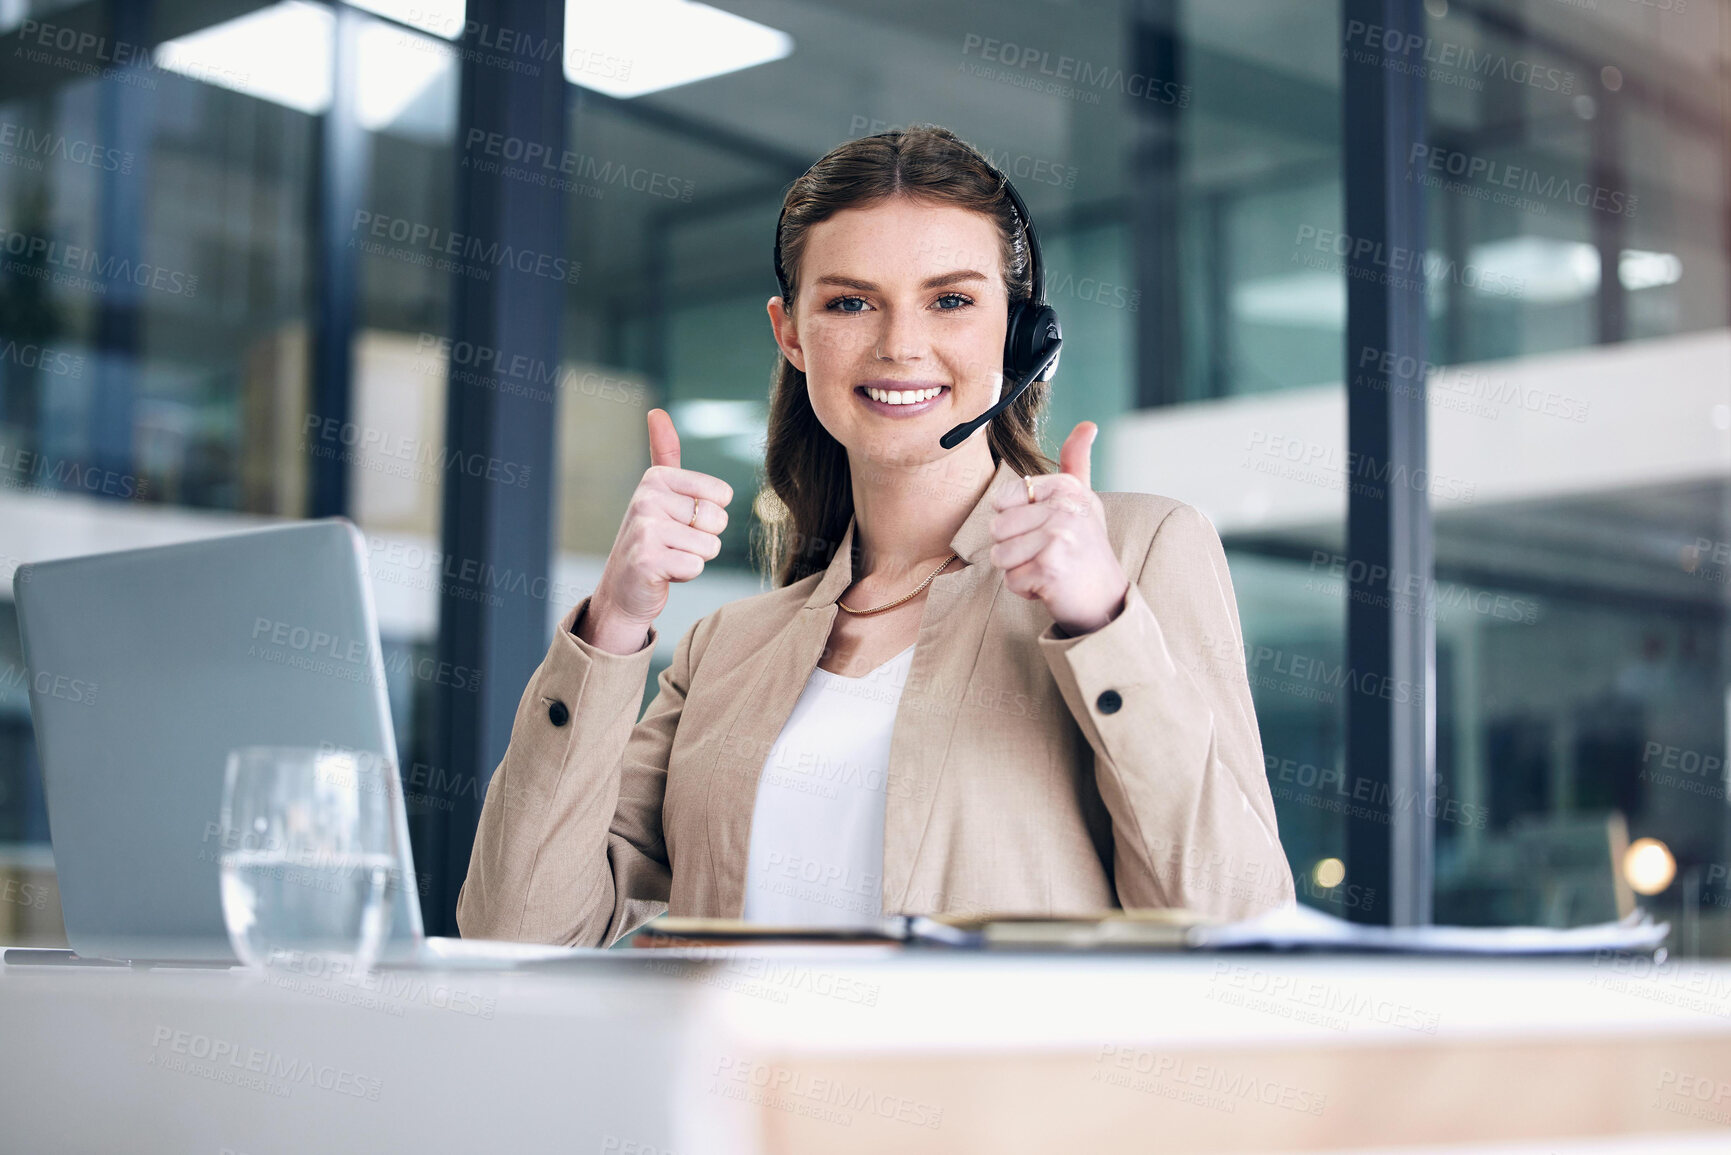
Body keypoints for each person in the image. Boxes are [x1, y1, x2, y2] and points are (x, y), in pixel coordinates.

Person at [456, 124, 1294, 948]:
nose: (900, 344)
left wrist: (1100, 624)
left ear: (1018, 333)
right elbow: (516, 931)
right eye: (851, 303)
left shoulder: (1141, 553)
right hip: (741, 1088)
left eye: (952, 300)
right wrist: (613, 623)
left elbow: (1236, 926)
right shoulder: (724, 649)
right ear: (790, 332)